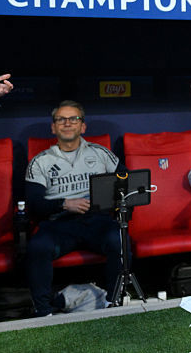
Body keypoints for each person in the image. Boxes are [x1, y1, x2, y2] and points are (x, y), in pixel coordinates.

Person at [25, 101, 121, 317]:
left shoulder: (100, 153)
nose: (67, 123)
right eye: (61, 119)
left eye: (74, 119)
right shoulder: (40, 161)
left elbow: (126, 182)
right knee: (38, 247)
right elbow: (34, 203)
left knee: (119, 240)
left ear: (83, 126)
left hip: (96, 221)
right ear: (53, 127)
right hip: (59, 224)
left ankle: (114, 303)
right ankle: (43, 312)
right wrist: (64, 204)